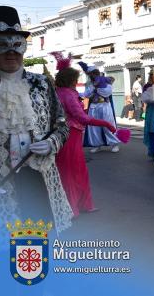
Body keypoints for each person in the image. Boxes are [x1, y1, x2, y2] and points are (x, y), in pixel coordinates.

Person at [0, 6, 72, 234]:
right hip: (3, 181)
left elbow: (62, 125)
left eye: (17, 45)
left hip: (39, 174)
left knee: (36, 239)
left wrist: (52, 143)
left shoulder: (41, 83)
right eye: (3, 45)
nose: (11, 52)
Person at [52, 53, 116, 217]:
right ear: (70, 80)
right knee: (74, 172)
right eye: (75, 78)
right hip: (71, 136)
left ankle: (78, 205)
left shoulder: (59, 92)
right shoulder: (67, 94)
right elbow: (81, 117)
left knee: (70, 172)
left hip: (65, 136)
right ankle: (75, 207)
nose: (77, 81)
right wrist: (106, 124)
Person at [79, 62, 121, 153]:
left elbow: (107, 92)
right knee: (93, 127)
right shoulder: (89, 84)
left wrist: (97, 88)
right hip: (94, 106)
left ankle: (114, 143)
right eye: (89, 75)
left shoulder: (105, 80)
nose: (91, 76)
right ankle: (96, 144)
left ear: (96, 73)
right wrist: (76, 94)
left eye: (92, 74)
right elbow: (86, 94)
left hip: (104, 106)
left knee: (108, 125)